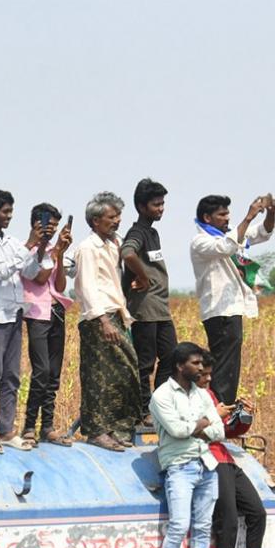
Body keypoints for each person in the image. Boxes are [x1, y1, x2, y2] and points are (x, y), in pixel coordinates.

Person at [148, 343, 225, 548]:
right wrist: (202, 425)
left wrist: (199, 428)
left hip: (207, 465)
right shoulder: (162, 396)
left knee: (203, 528)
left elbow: (220, 430)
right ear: (180, 366)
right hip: (180, 467)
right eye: (195, 363)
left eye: (201, 364)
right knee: (179, 526)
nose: (201, 368)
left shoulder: (202, 393)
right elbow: (178, 430)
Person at [0, 189, 44, 453]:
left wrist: (40, 248)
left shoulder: (12, 240)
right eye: (4, 212)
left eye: (11, 212)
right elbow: (2, 270)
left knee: (12, 376)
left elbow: (31, 272)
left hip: (14, 313)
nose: (9, 217)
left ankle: (6, 430)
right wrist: (27, 246)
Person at [191, 193, 275, 406]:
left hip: (232, 308)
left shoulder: (230, 234)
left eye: (228, 213)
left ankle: (223, 405)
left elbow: (262, 232)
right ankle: (221, 407)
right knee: (223, 363)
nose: (227, 218)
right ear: (207, 218)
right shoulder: (200, 241)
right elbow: (227, 247)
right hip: (218, 310)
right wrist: (248, 217)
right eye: (222, 214)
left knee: (230, 363)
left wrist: (271, 213)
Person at [72, 192, 143, 451]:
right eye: (111, 217)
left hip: (117, 314)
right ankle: (97, 431)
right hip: (98, 317)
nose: (117, 221)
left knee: (125, 372)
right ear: (95, 221)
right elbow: (87, 287)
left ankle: (119, 429)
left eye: (118, 216)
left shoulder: (114, 244)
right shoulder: (87, 249)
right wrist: (103, 320)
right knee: (98, 376)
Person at [197, 356, 265, 548]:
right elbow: (190, 430)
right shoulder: (185, 398)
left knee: (257, 512)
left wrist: (244, 415)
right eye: (203, 372)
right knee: (227, 518)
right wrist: (215, 417)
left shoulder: (209, 394)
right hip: (208, 457)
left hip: (225, 457)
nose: (208, 378)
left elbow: (229, 430)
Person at [121, 179, 176, 418]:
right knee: (145, 364)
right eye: (156, 204)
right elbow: (127, 253)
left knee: (172, 357)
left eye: (162, 204)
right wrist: (142, 277)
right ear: (142, 207)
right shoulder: (138, 232)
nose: (161, 208)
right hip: (145, 308)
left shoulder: (153, 232)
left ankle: (158, 407)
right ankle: (143, 410)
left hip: (161, 308)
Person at [21, 204, 74, 446]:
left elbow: (60, 286)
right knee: (41, 371)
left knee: (53, 373)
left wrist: (60, 255)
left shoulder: (54, 250)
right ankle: (30, 426)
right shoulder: (28, 251)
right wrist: (55, 254)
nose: (50, 229)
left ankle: (48, 426)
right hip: (37, 313)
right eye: (47, 224)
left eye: (54, 225)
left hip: (57, 311)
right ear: (35, 223)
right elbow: (40, 277)